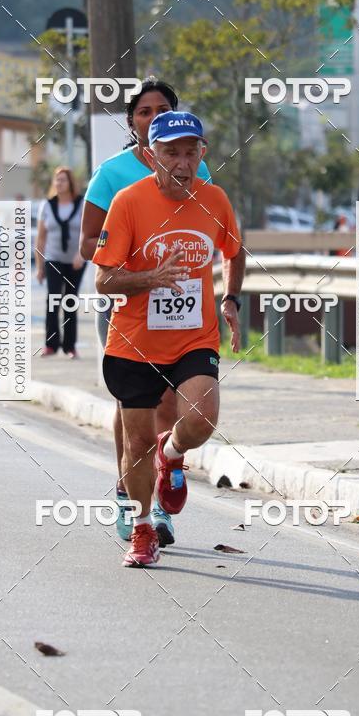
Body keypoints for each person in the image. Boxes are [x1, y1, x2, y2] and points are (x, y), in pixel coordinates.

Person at [93, 111, 245, 567]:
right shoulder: (128, 202)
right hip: (134, 342)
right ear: (149, 155)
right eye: (171, 153)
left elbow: (234, 252)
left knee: (202, 420)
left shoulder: (215, 199)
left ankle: (173, 451)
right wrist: (149, 278)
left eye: (190, 152)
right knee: (136, 442)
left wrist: (231, 299)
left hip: (194, 338)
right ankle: (142, 530)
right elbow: (103, 280)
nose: (182, 162)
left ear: (203, 154)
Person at [80, 77, 212, 548]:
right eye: (144, 111)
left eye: (162, 110)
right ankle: (127, 495)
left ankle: (160, 500)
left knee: (172, 404)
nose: (153, 117)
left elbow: (208, 229)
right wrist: (140, 268)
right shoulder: (112, 173)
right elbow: (88, 244)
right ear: (132, 121)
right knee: (133, 406)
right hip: (128, 301)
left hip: (181, 305)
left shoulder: (196, 166)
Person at [36, 167, 85, 358]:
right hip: (53, 258)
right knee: (53, 299)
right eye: (57, 180)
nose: (59, 183)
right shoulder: (47, 205)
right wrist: (39, 266)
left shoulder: (81, 204)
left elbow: (87, 231)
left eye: (63, 179)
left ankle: (70, 346)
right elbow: (41, 238)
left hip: (76, 260)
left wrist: (81, 254)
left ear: (70, 183)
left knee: (70, 300)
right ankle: (51, 344)